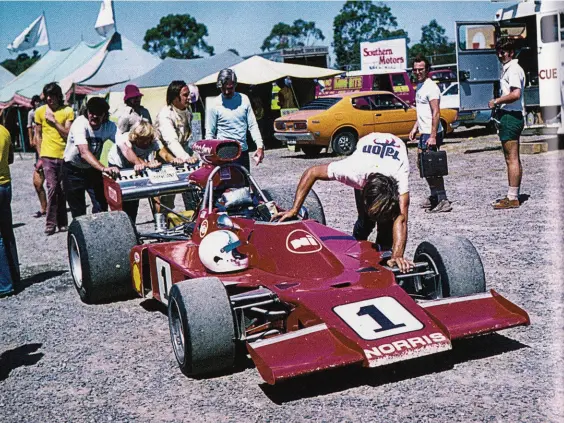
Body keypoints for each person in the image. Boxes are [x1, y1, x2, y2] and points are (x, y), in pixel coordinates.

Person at [275, 132, 413, 273]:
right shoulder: (353, 171)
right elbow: (312, 172)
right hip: (368, 151)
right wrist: (294, 209)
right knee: (365, 221)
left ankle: (385, 258)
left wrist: (397, 256)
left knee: (386, 225)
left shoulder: (400, 179)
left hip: (395, 149)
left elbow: (401, 219)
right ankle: (356, 249)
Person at [107, 121, 189, 223]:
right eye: (142, 140)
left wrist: (174, 160)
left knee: (139, 199)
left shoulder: (152, 139)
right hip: (119, 165)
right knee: (125, 201)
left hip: (139, 164)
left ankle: (158, 223)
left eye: (148, 140)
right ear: (135, 137)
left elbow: (164, 153)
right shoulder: (125, 139)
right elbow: (132, 157)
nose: (146, 143)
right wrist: (148, 165)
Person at [62, 97, 119, 219]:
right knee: (79, 213)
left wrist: (138, 161)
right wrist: (104, 169)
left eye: (98, 114)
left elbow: (124, 145)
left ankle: (98, 232)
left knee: (101, 206)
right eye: (91, 112)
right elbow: (84, 151)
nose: (94, 116)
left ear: (104, 115)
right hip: (73, 170)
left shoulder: (109, 126)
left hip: (92, 169)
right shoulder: (80, 123)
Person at [409, 54, 452, 213]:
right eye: (415, 69)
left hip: (431, 132)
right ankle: (434, 195)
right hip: (424, 131)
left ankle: (443, 199)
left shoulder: (431, 87)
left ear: (427, 69)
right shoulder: (419, 86)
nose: (418, 72)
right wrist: (415, 127)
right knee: (422, 165)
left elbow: (436, 112)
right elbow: (423, 112)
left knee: (432, 167)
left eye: (421, 69)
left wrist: (433, 136)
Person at [488, 38, 525, 210]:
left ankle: (513, 197)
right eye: (498, 52)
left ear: (511, 52)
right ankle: (512, 194)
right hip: (508, 115)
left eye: (503, 52)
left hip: (511, 116)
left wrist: (497, 101)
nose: (500, 55)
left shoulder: (514, 70)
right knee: (511, 158)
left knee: (512, 158)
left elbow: (515, 94)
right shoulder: (508, 69)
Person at [35, 82, 75, 235]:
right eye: (47, 96)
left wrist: (54, 121)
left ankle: (63, 222)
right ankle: (50, 224)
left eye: (52, 96)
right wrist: (40, 156)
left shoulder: (68, 111)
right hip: (48, 155)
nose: (49, 99)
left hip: (64, 155)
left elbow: (67, 133)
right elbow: (37, 136)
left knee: (62, 190)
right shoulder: (40, 112)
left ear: (58, 96)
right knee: (52, 188)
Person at [205, 68, 265, 170]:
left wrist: (260, 146)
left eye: (230, 88)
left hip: (242, 152)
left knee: (244, 183)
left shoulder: (244, 99)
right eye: (223, 88)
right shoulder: (214, 104)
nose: (227, 91)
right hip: (222, 153)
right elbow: (210, 132)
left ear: (235, 85)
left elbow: (252, 125)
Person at [154, 80, 198, 211]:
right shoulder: (165, 115)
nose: (189, 98)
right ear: (174, 98)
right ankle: (163, 227)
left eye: (189, 94)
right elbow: (171, 141)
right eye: (185, 95)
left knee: (192, 190)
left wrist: (193, 154)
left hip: (182, 153)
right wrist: (186, 158)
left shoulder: (187, 110)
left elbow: (188, 137)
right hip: (164, 155)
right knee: (167, 197)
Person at [0, 124, 19, 297]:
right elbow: (10, 159)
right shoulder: (4, 131)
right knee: (7, 233)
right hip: (5, 185)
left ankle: (4, 284)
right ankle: (15, 277)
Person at [27, 95, 47, 218]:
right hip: (39, 150)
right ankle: (44, 207)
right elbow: (30, 128)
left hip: (51, 149)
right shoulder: (32, 113)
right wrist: (31, 139)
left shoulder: (48, 112)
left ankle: (55, 210)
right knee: (37, 183)